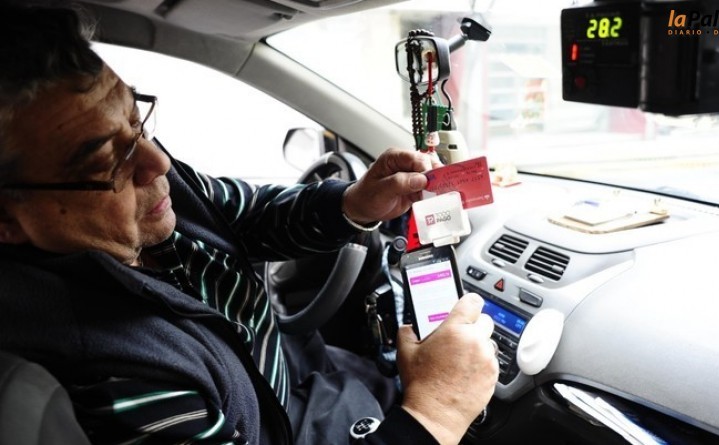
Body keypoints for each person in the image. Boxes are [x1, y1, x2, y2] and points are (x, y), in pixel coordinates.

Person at [0, 2, 499, 445]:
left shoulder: (150, 183)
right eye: (105, 162)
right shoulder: (114, 381)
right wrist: (436, 413)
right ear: (7, 219)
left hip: (307, 388)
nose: (159, 164)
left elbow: (247, 214)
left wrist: (355, 203)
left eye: (137, 121)